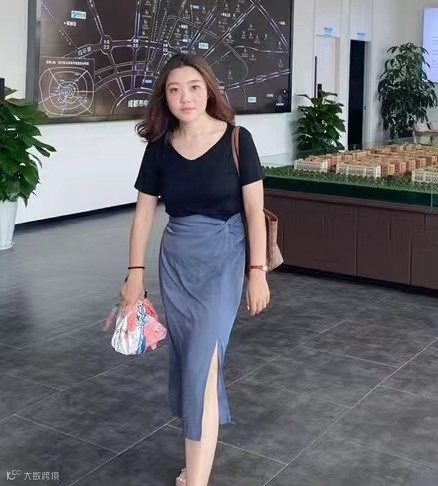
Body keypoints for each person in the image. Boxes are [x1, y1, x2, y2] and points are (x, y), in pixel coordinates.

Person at [121, 53, 270, 486]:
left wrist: (257, 271)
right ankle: (194, 466)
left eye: (193, 87)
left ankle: (197, 480)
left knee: (203, 363)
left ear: (208, 91)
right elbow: (143, 217)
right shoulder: (159, 148)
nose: (184, 97)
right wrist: (135, 274)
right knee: (192, 361)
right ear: (164, 98)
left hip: (225, 258)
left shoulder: (238, 139)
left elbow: (254, 211)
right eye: (174, 90)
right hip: (178, 262)